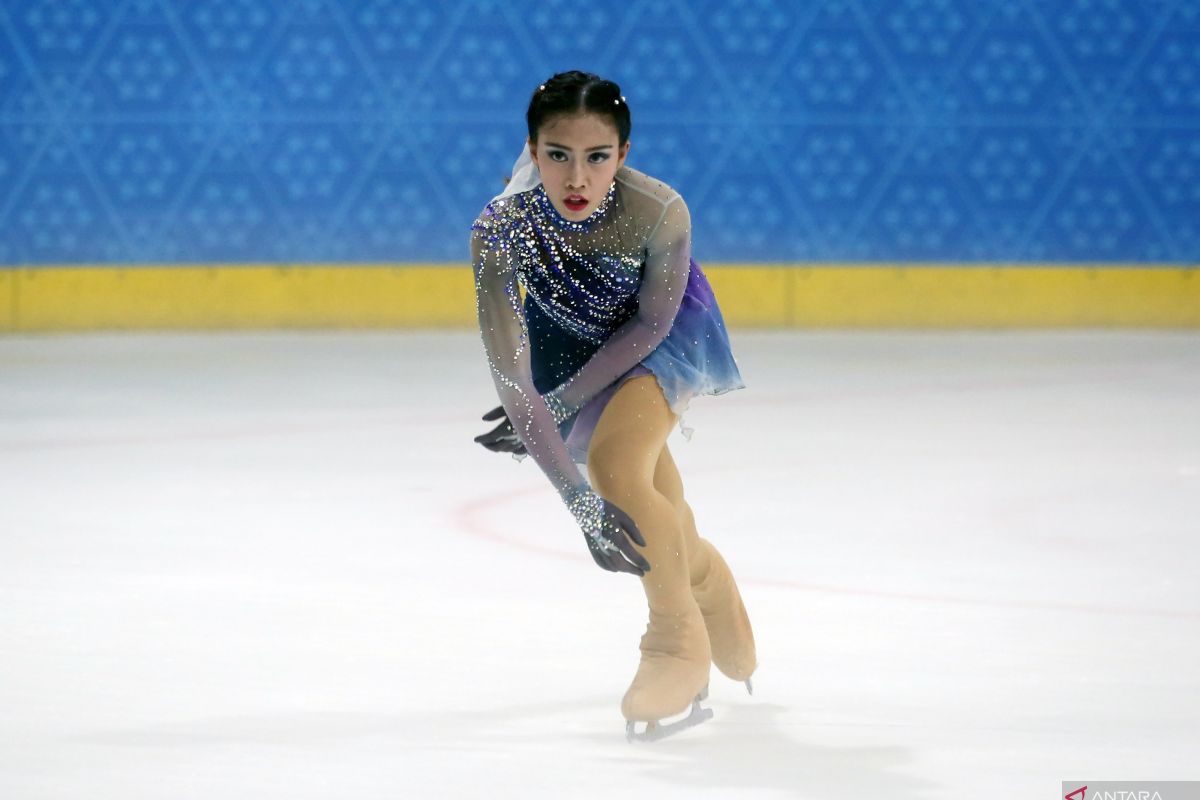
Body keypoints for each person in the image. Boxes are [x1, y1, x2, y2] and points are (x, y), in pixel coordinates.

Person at [470, 70, 755, 742]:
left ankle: (674, 642)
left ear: (622, 156)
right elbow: (513, 384)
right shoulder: (499, 236)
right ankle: (705, 578)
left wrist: (564, 400)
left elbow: (650, 327)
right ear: (532, 151)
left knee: (619, 464)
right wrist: (579, 508)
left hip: (661, 334)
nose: (577, 178)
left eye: (597, 158)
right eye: (558, 155)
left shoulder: (658, 211)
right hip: (568, 338)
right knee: (646, 491)